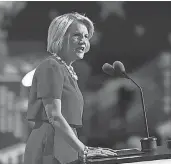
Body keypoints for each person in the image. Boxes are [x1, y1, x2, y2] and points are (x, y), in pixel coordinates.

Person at [23, 12, 117, 164]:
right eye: (77, 35)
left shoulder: (66, 69)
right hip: (50, 147)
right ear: (60, 37)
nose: (83, 41)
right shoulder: (51, 66)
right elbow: (54, 115)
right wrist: (84, 149)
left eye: (86, 36)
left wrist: (83, 148)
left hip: (66, 146)